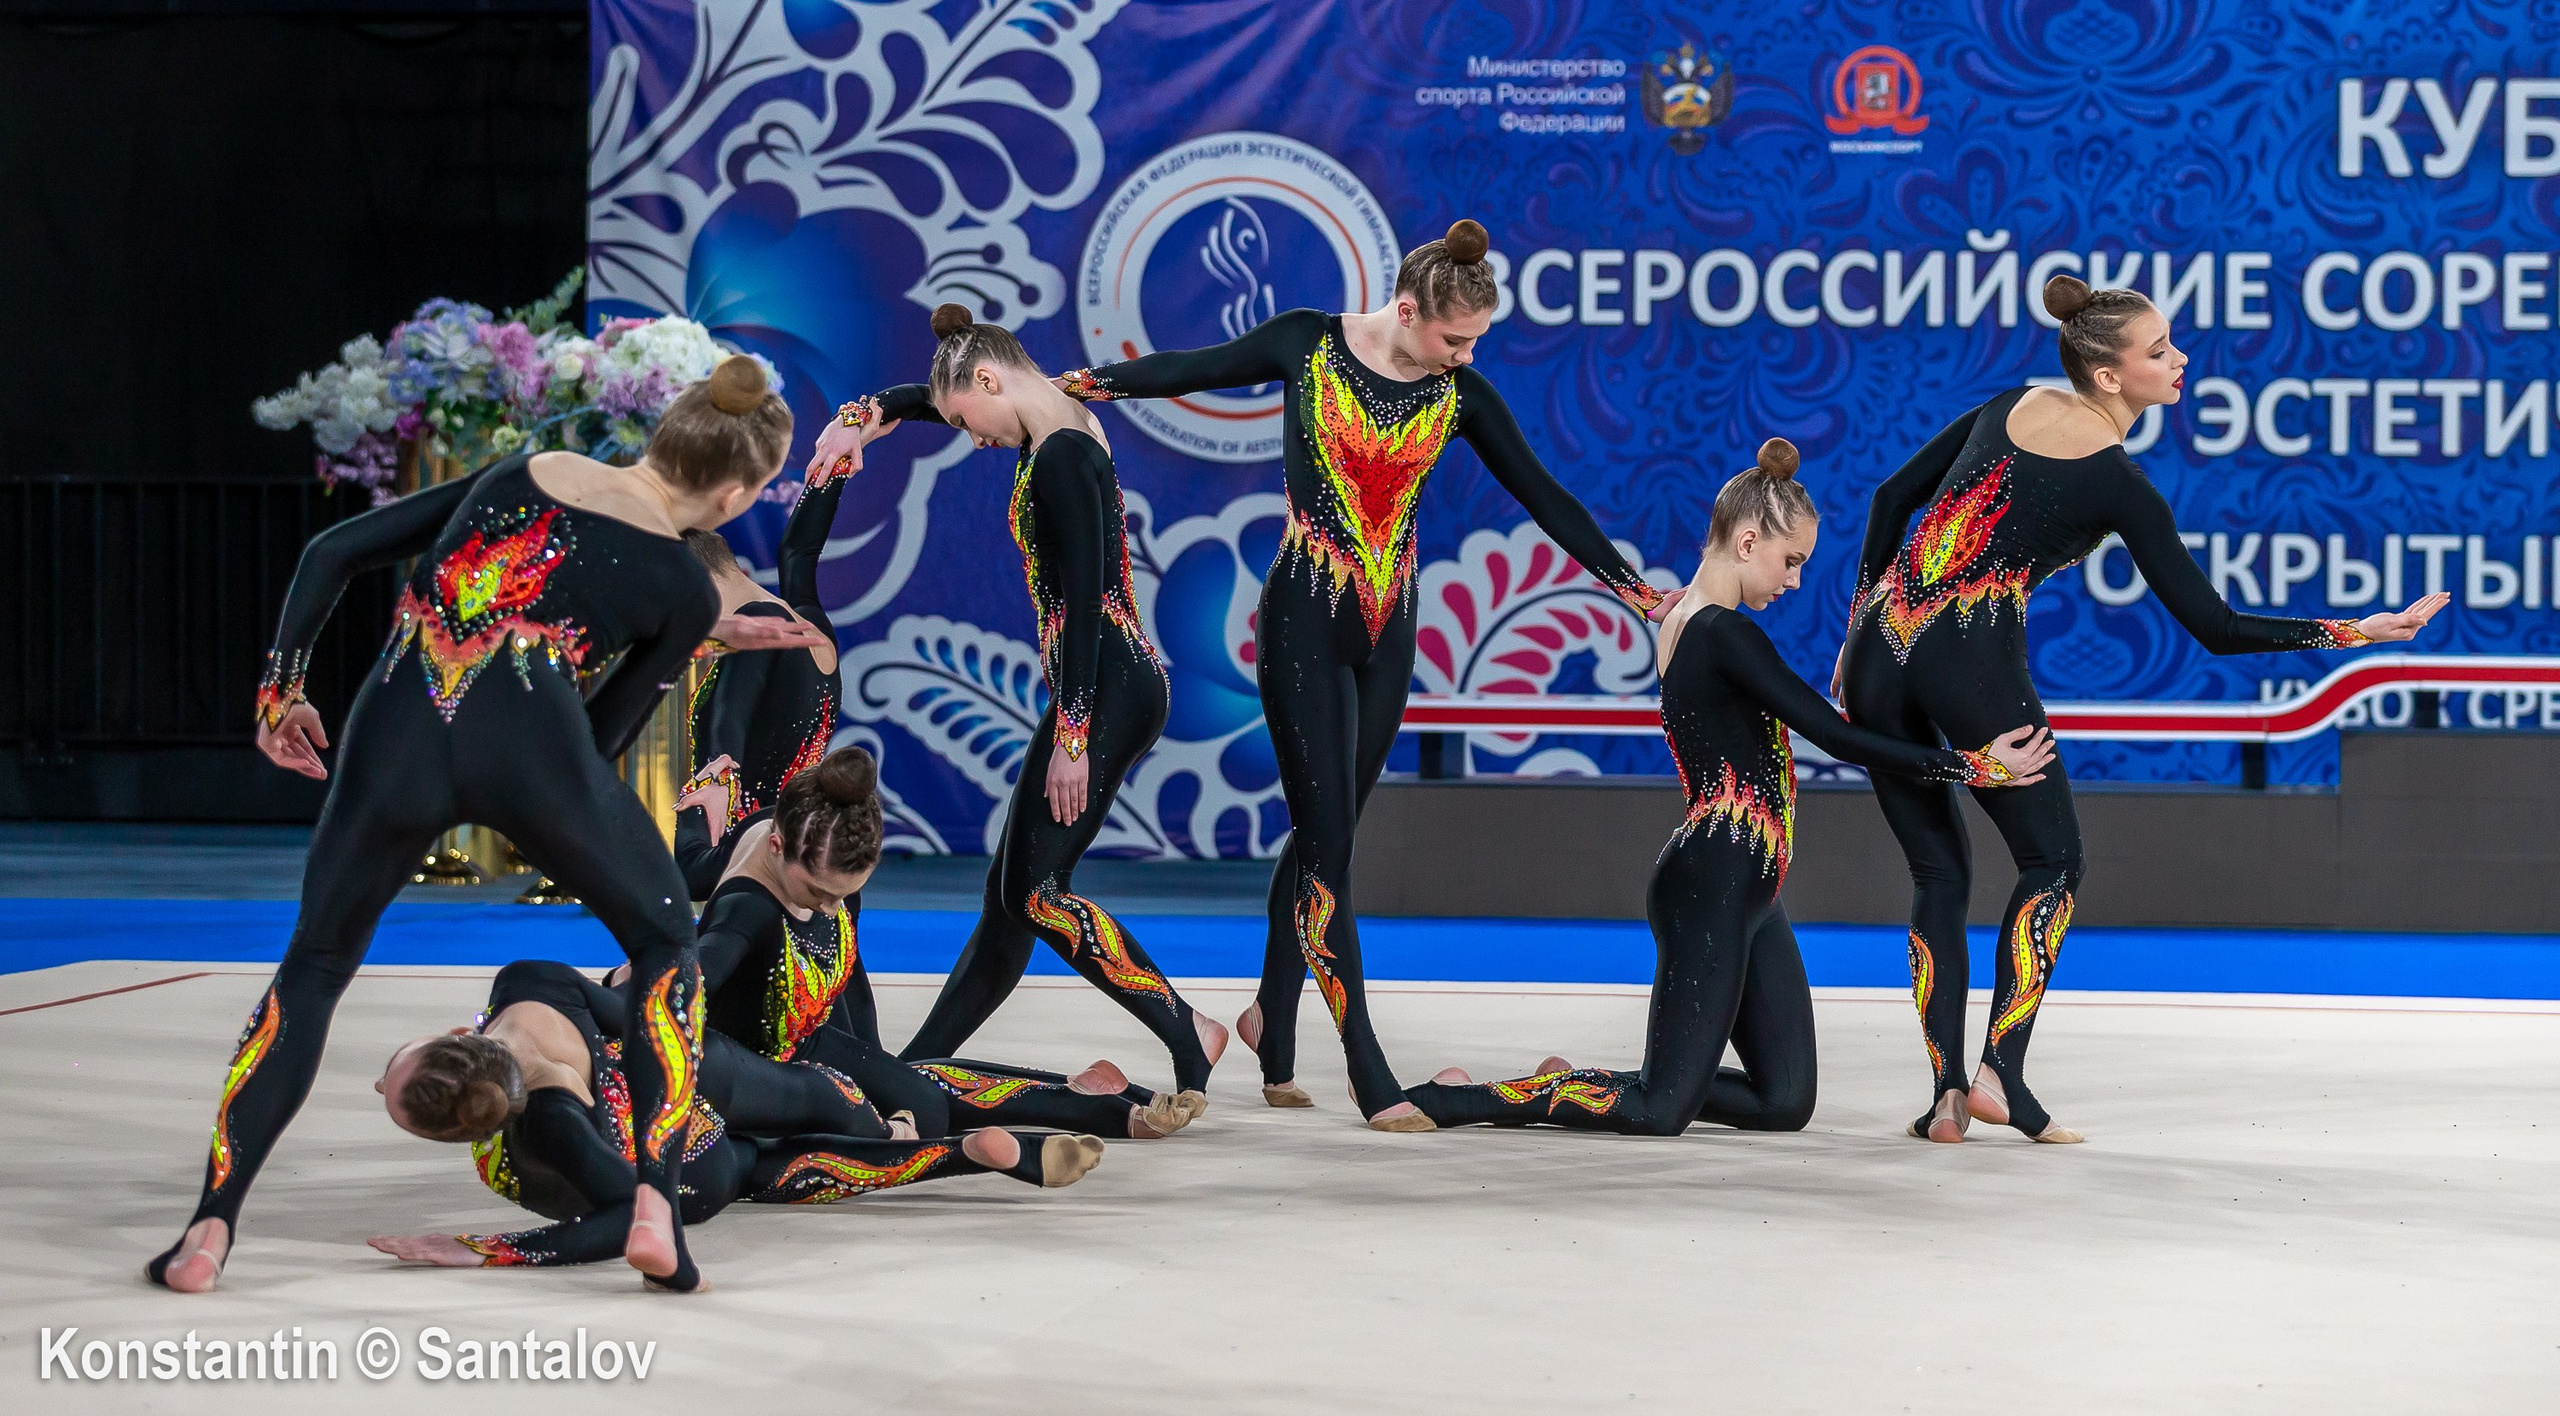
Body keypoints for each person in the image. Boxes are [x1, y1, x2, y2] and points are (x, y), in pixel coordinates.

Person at [150, 356, 827, 1295]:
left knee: (312, 968)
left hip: (398, 729)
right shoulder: (681, 585)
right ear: (734, 490)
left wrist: (281, 694)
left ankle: (210, 1230)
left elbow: (331, 554)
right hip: (532, 750)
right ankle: (654, 1211)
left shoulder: (529, 472)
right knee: (670, 942)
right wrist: (695, 637)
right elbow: (596, 742)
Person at [1053, 219, 1670, 1128]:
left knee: (1322, 835)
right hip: (1305, 617)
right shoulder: (1310, 341)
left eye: (1476, 344)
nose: (1465, 357)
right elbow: (1197, 365)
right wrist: (1087, 383)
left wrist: (1633, 591)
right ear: (1410, 309)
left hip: (1389, 633)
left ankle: (1274, 1018)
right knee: (1331, 846)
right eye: (1454, 339)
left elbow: (1547, 496)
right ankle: (1367, 1064)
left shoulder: (1459, 396)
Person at [1839, 275, 2451, 1144]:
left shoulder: (2011, 401)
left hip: (1878, 651)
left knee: (1939, 872)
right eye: (2159, 350)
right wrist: (2356, 630)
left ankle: (1945, 1096)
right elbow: (2216, 627)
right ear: (2110, 377)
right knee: (2052, 861)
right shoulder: (2119, 483)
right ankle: (1998, 1075)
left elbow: (1888, 499)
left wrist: (1859, 621)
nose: (2181, 360)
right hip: (1967, 658)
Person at [1406, 440, 2051, 1134]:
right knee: (1659, 1111)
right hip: (1710, 881)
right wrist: (1976, 766)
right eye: (1791, 561)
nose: (1795, 582)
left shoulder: (1683, 618)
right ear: (1748, 542)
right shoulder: (1722, 634)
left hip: (1749, 887)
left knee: (1785, 1102)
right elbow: (1837, 737)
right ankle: (1454, 1098)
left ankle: (1573, 1083)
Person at [810, 305, 1226, 1109]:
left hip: (1106, 686)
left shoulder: (1065, 454)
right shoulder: (1051, 413)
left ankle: (1187, 1030)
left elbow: (1078, 602)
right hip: (1102, 681)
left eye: (969, 419)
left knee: (1037, 893)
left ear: (991, 381)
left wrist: (1073, 733)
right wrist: (854, 425)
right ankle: (918, 1066)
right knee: (1012, 895)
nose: (970, 437)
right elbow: (918, 397)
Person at [363, 958, 1103, 1272]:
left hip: (695, 1157)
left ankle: (952, 1154)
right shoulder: (527, 983)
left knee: (753, 1167)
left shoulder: (549, 1122)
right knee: (798, 1087)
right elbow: (631, 1013)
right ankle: (888, 1125)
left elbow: (633, 1214)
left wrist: (493, 1249)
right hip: (680, 1072)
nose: (373, 1085)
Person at [663, 742, 1201, 1140]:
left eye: (845, 895)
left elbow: (846, 972)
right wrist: (701, 797)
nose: (828, 907)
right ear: (776, 848)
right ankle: (1084, 1104)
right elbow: (676, 980)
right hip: (764, 1074)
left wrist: (874, 1063)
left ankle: (1090, 1100)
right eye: (821, 894)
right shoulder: (744, 908)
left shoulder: (824, 840)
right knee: (901, 1109)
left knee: (916, 1090)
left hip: (808, 1040)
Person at [668, 421, 852, 898]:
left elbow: (732, 714)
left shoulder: (759, 626)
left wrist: (713, 783)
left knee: (672, 874)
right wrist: (839, 457)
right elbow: (799, 551)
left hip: (756, 848)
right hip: (802, 835)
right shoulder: (804, 622)